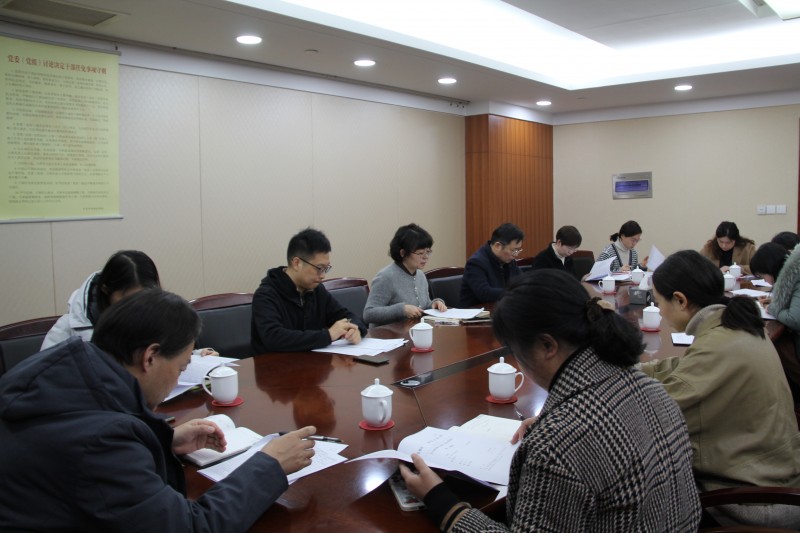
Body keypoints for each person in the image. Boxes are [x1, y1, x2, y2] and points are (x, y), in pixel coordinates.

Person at [401, 270, 701, 532]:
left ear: (547, 345)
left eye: (516, 352)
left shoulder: (557, 445)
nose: (519, 363)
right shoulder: (652, 389)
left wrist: (444, 505)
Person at [0, 289, 316, 531]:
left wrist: (165, 439)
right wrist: (269, 466)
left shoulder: (61, 369)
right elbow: (191, 527)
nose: (178, 378)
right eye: (181, 368)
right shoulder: (101, 442)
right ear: (150, 357)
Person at [642, 250, 800, 528]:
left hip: (753, 501)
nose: (661, 311)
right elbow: (684, 367)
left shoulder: (718, 346)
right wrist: (634, 370)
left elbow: (655, 413)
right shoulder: (734, 325)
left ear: (680, 300)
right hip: (772, 471)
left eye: (658, 302)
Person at [251, 228, 367, 353]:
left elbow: (346, 316)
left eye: (326, 268)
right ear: (297, 263)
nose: (323, 276)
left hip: (312, 361)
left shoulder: (317, 290)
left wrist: (355, 329)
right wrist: (328, 335)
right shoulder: (266, 294)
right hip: (275, 363)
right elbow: (274, 338)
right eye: (319, 268)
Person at [42, 250, 161, 349]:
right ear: (106, 290)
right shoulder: (66, 330)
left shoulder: (157, 320)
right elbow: (45, 369)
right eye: (128, 300)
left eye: (144, 298)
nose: (135, 307)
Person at [363, 223, 447, 327]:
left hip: (412, 330)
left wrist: (434, 304)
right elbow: (369, 314)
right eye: (420, 253)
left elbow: (423, 306)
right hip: (388, 334)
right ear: (403, 253)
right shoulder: (385, 277)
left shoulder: (420, 275)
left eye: (428, 252)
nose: (426, 257)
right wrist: (402, 310)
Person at [459, 223, 524, 307]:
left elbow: (522, 281)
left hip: (501, 307)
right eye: (513, 250)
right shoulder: (476, 263)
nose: (516, 255)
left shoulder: (509, 260)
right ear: (497, 246)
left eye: (518, 250)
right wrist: (515, 292)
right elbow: (484, 293)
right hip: (475, 312)